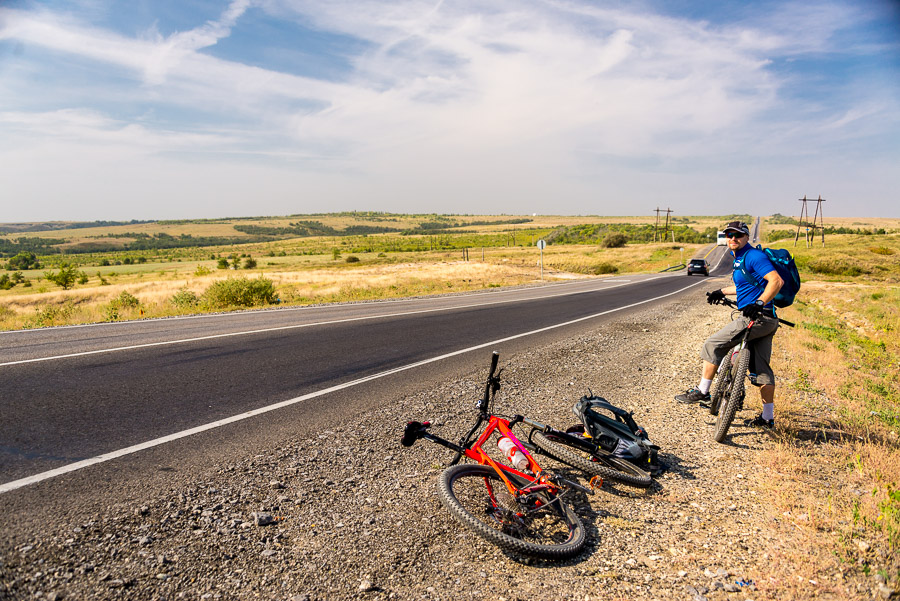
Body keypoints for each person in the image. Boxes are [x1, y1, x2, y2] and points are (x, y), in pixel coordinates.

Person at [675, 220, 784, 428]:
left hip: (756, 318)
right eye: (729, 235)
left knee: (712, 344)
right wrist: (721, 292)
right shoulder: (740, 258)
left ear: (746, 237)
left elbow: (776, 281)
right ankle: (768, 418)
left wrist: (759, 303)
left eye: (738, 235)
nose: (733, 238)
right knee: (762, 371)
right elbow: (746, 284)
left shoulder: (753, 256)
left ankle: (703, 391)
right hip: (769, 319)